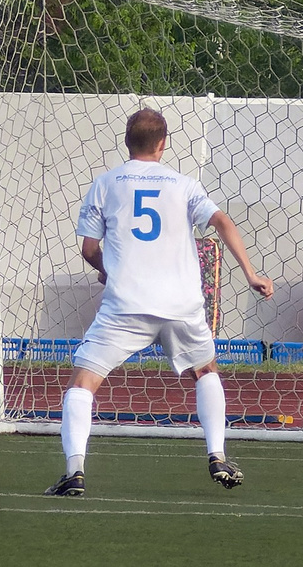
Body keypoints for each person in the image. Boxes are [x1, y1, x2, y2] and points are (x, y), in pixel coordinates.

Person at [51, 109, 274, 496]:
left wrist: (107, 270)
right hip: (181, 305)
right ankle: (217, 454)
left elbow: (89, 248)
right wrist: (251, 273)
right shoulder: (183, 184)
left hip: (126, 305)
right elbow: (223, 223)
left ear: (126, 142)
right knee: (205, 371)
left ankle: (75, 472)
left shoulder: (104, 184)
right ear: (163, 143)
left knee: (82, 383)